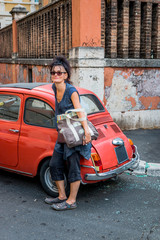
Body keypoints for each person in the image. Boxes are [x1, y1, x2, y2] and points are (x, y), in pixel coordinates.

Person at [45, 56, 92, 211]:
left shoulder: (71, 91)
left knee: (73, 167)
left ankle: (71, 202)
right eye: (53, 72)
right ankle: (62, 196)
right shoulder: (54, 87)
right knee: (54, 164)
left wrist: (86, 131)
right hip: (63, 133)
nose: (56, 75)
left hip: (73, 134)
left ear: (66, 75)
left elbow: (80, 111)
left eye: (60, 73)